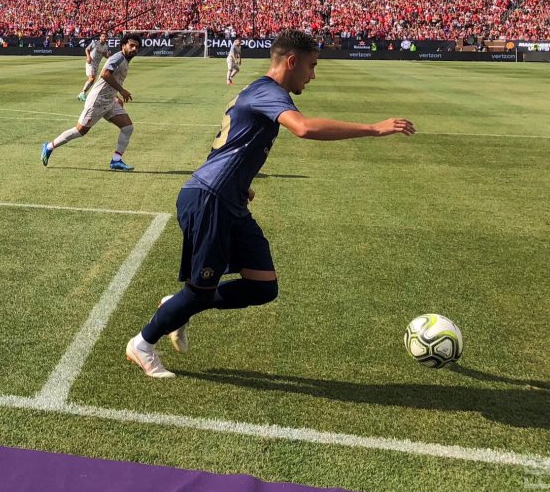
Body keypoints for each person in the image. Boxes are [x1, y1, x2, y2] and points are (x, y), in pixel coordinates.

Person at [126, 29, 415, 378]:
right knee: (200, 290)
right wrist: (373, 128)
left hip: (227, 197)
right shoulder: (268, 91)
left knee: (263, 286)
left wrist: (241, 183)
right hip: (210, 199)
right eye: (311, 66)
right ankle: (143, 343)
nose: (313, 76)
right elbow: (303, 128)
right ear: (291, 62)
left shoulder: (258, 90)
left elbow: (231, 145)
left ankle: (177, 307)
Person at [41, 33, 142, 172]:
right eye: (131, 45)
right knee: (80, 131)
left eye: (137, 47)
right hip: (97, 101)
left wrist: (115, 96)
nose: (134, 49)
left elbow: (113, 78)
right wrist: (121, 90)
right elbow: (105, 74)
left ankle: (116, 160)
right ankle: (49, 147)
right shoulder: (118, 57)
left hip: (109, 101)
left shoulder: (125, 59)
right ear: (123, 45)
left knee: (127, 127)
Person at [78, 32, 110, 101]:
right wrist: (88, 57)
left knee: (92, 80)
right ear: (100, 37)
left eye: (105, 36)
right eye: (103, 36)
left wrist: (108, 56)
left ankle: (83, 93)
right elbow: (87, 49)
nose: (104, 38)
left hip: (96, 64)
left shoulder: (105, 46)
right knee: (92, 78)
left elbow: (105, 55)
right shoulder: (95, 43)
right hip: (91, 62)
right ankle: (82, 93)